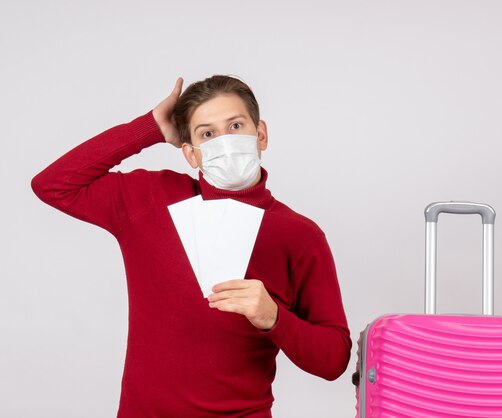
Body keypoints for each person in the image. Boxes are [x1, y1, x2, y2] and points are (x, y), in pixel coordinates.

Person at [31, 75, 352, 417]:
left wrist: (273, 317)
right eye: (208, 134)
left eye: (236, 125)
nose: (224, 141)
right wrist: (151, 127)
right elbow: (52, 185)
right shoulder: (151, 200)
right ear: (191, 154)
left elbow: (334, 360)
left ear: (261, 135)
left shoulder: (299, 234)